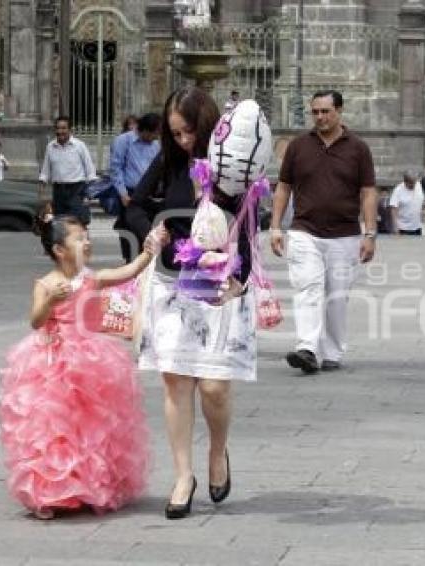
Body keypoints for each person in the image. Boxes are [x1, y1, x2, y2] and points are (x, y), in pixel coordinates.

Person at [127, 86, 255, 519]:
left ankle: (218, 451)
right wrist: (152, 232)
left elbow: (248, 224)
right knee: (175, 380)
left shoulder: (232, 167)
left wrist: (242, 278)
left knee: (215, 386)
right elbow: (136, 206)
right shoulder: (169, 161)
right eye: (176, 133)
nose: (182, 141)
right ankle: (183, 475)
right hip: (172, 280)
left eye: (189, 133)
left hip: (219, 281)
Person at [0, 215, 161, 519]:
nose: (87, 242)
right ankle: (47, 493)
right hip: (52, 361)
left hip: (93, 360)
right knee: (53, 428)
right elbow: (35, 320)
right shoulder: (46, 283)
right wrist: (49, 301)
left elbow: (127, 272)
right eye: (79, 238)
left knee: (92, 426)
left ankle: (90, 485)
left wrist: (148, 252)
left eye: (87, 237)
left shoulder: (91, 278)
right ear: (59, 250)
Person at [270, 89, 377, 374]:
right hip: (305, 231)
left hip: (345, 234)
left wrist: (370, 234)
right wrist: (275, 227)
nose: (319, 117)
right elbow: (283, 187)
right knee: (308, 288)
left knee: (337, 296)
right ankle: (307, 348)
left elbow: (368, 192)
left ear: (339, 111)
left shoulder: (358, 148)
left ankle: (332, 351)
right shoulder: (298, 146)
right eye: (315, 112)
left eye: (325, 111)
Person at [108, 112, 161, 261]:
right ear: (145, 130)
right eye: (154, 134)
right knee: (129, 231)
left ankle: (146, 262)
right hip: (129, 194)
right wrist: (123, 193)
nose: (156, 138)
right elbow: (116, 169)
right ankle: (130, 263)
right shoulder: (123, 141)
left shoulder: (155, 145)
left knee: (146, 231)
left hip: (149, 195)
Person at [39, 116, 97, 225]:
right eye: (58, 128)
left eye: (63, 128)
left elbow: (90, 171)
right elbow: (45, 171)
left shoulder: (79, 146)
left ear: (70, 130)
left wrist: (89, 195)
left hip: (76, 190)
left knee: (77, 223)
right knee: (60, 225)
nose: (60, 131)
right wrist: (42, 195)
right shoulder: (50, 147)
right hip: (58, 191)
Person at [389, 171, 424, 236]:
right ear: (405, 182)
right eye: (411, 184)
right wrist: (395, 228)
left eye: (414, 183)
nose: (413, 185)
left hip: (417, 227)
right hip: (403, 228)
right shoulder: (398, 190)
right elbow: (393, 209)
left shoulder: (418, 185)